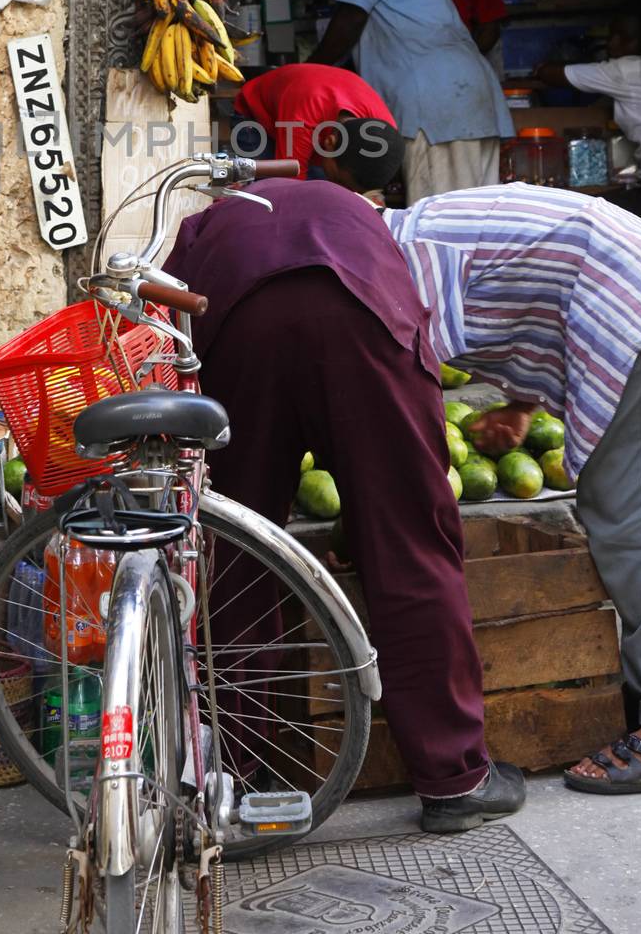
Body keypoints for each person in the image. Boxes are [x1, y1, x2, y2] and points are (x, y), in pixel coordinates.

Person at [163, 178, 526, 831]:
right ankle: (454, 780)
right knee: (412, 544)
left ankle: (237, 769)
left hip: (238, 336)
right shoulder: (362, 218)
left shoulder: (200, 228)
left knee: (237, 550)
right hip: (364, 317)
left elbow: (171, 330)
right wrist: (368, 523)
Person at [384, 183, 641, 796]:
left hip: (640, 310)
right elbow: (542, 278)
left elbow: (410, 378)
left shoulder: (403, 254)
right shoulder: (419, 227)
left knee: (636, 522)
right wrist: (522, 405)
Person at [289, 0, 513, 201]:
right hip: (458, 102)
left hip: (437, 107)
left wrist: (304, 78)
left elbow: (351, 16)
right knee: (474, 228)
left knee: (440, 230)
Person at [535, 14, 641, 223]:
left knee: (570, 217)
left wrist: (540, 68)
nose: (612, 43)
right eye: (611, 35)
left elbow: (552, 73)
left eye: (623, 37)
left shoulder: (626, 70)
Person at [232, 63, 401, 188]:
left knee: (327, 194)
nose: (342, 187)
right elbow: (287, 191)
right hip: (257, 119)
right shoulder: (303, 120)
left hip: (306, 131)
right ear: (329, 142)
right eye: (339, 180)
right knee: (266, 197)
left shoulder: (384, 136)